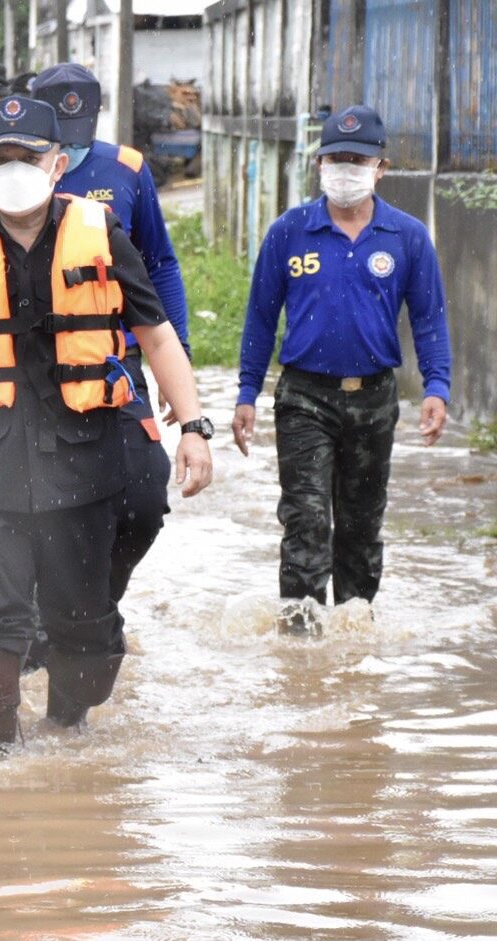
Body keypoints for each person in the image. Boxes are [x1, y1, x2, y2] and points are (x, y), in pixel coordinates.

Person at [0, 97, 214, 758]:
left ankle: (68, 735)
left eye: (29, 157)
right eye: (0, 157)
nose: (15, 169)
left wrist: (192, 425)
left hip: (86, 456)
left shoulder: (103, 235)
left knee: (81, 619)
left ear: (58, 164)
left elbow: (157, 335)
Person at [0, 64, 193, 652]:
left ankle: (93, 601)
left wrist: (180, 371)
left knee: (143, 497)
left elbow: (160, 264)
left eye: (80, 121)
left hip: (110, 362)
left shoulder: (128, 171)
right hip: (14, 374)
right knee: (23, 512)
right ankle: (48, 620)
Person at [232, 105, 450, 634]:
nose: (345, 170)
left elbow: (429, 318)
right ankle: (302, 648)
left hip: (375, 399)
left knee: (360, 528)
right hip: (305, 396)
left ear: (381, 168)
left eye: (357, 160)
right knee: (306, 522)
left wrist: (436, 386)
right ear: (319, 164)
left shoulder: (407, 237)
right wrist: (246, 393)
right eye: (335, 159)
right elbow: (261, 318)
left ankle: (354, 643)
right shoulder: (290, 232)